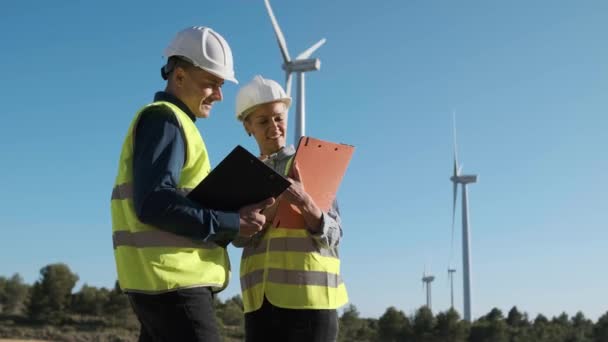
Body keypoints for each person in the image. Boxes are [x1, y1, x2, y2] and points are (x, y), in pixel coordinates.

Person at [110, 27, 274, 342]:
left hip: (158, 282)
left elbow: (169, 198)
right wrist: (232, 222)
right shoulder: (165, 121)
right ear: (180, 76)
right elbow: (155, 203)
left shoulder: (175, 124)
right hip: (175, 282)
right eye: (211, 83)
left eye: (221, 85)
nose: (220, 95)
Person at [233, 75, 348, 342]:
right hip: (259, 304)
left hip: (311, 303)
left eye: (278, 118)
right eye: (263, 121)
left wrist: (305, 202)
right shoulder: (241, 175)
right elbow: (236, 238)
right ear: (247, 126)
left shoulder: (310, 164)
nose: (274, 127)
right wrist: (263, 218)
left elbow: (334, 234)